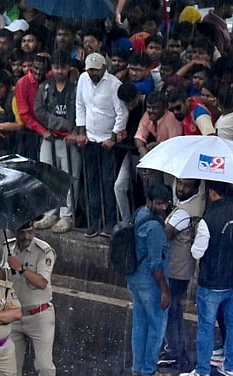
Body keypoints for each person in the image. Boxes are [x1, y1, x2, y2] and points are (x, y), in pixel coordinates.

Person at [179, 180, 233, 376]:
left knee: (205, 326)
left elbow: (197, 252)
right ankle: (230, 367)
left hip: (211, 282)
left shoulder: (208, 220)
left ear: (212, 193)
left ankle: (202, 372)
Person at [0, 222, 61, 376]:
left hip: (39, 315)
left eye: (30, 231)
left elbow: (41, 282)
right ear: (14, 231)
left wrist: (20, 268)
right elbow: (2, 279)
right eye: (22, 232)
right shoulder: (6, 249)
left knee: (44, 365)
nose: (27, 235)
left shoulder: (45, 251)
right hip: (14, 315)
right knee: (10, 368)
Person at [75, 52, 128, 238]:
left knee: (108, 183)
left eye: (96, 70)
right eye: (90, 70)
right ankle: (94, 221)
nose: (92, 74)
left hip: (107, 143)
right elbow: (80, 105)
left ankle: (110, 222)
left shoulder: (114, 84)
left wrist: (113, 138)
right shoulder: (83, 79)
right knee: (92, 183)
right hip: (90, 140)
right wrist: (81, 133)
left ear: (104, 68)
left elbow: (121, 114)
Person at [127, 182, 173, 376]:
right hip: (150, 281)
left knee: (140, 324)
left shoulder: (141, 213)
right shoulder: (155, 227)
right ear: (150, 201)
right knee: (156, 326)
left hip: (135, 277)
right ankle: (149, 370)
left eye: (165, 203)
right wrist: (165, 290)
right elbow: (156, 265)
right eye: (159, 203)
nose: (163, 207)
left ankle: (138, 368)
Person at [158, 178, 203, 369]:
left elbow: (164, 235)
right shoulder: (185, 208)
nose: (182, 188)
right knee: (174, 309)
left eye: (187, 186)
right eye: (180, 184)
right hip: (182, 268)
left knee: (170, 309)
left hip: (176, 268)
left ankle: (173, 350)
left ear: (196, 188)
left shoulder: (183, 213)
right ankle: (178, 348)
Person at [34, 50, 80, 234]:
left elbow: (80, 112)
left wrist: (73, 130)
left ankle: (67, 215)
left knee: (69, 177)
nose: (59, 71)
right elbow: (39, 110)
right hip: (50, 136)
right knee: (48, 175)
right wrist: (58, 124)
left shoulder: (75, 88)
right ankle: (50, 212)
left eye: (62, 67)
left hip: (70, 140)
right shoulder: (45, 87)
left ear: (69, 68)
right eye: (55, 67)